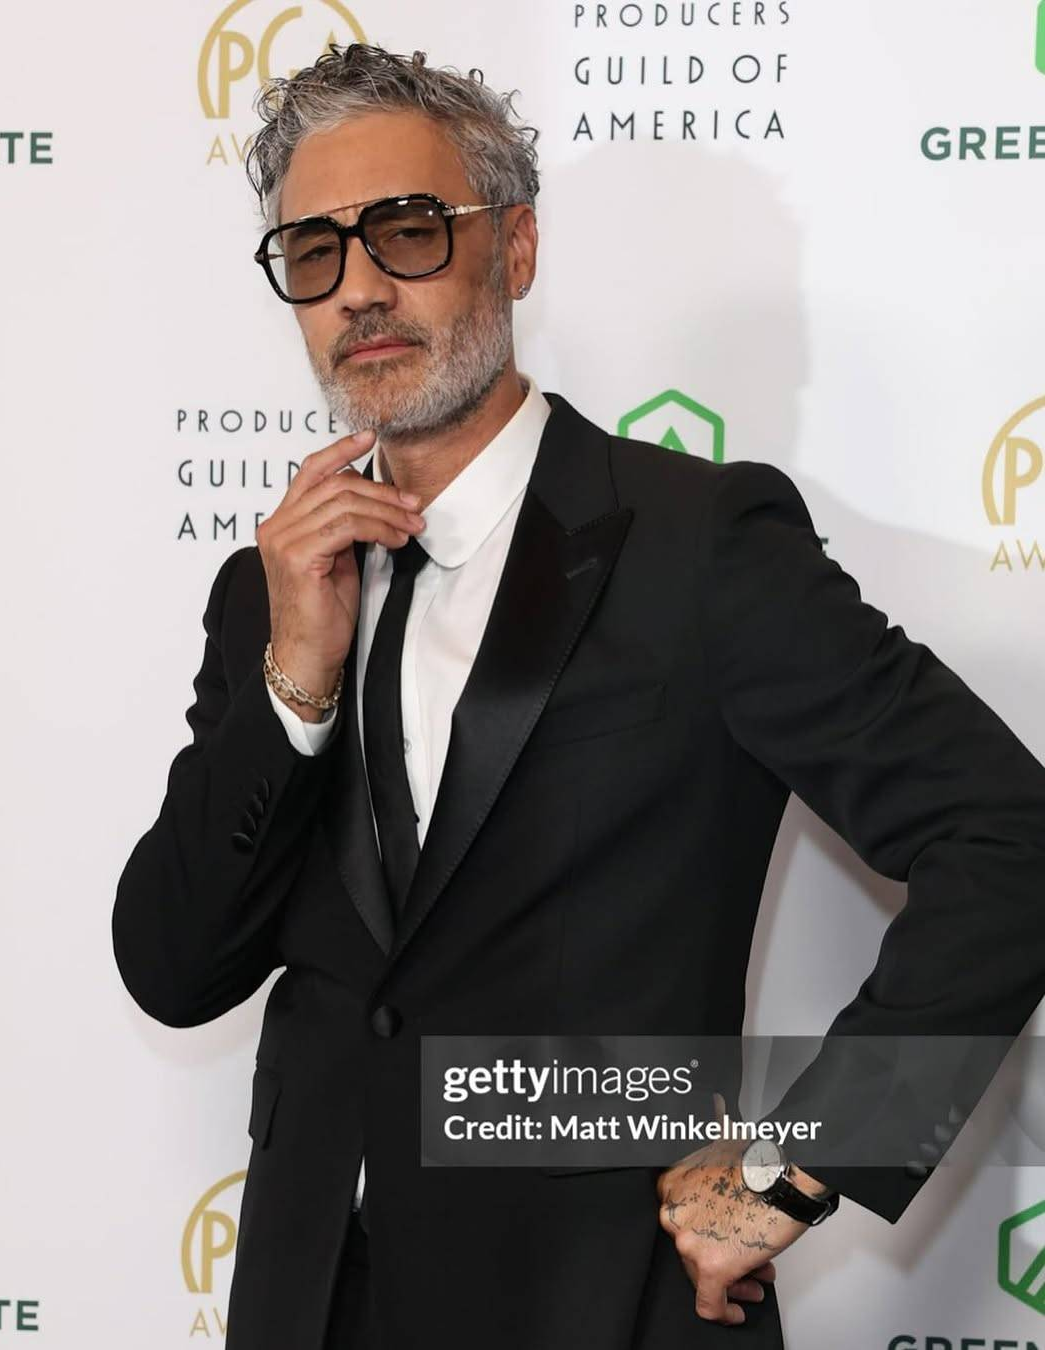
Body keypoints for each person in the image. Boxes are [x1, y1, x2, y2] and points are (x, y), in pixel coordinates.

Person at [111, 42, 1045, 1350]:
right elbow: (175, 967)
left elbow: (1009, 837)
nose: (360, 287)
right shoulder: (270, 585)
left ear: (518, 248)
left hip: (606, 1307)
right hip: (312, 1305)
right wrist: (295, 686)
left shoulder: (698, 545)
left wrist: (799, 1166)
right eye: (313, 251)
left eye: (408, 230)